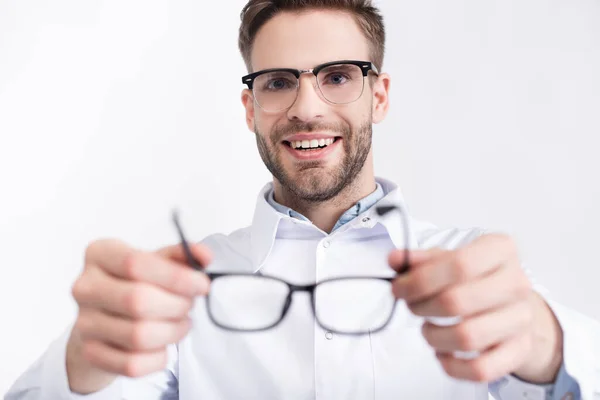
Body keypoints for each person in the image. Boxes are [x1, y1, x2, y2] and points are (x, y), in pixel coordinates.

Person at [6, 0, 599, 399]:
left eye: (337, 76)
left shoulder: (472, 270)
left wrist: (548, 342)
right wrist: (80, 363)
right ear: (250, 107)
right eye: (279, 81)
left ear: (379, 96)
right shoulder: (181, 288)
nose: (307, 107)